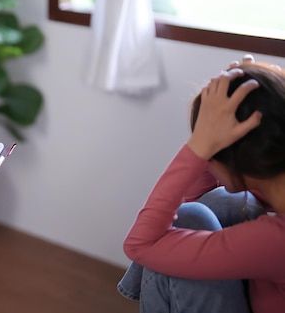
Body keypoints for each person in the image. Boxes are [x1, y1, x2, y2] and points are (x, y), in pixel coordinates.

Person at [118, 55, 285, 313]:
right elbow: (203, 201)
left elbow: (140, 244)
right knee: (224, 203)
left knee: (187, 219)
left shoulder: (275, 240)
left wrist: (198, 148)